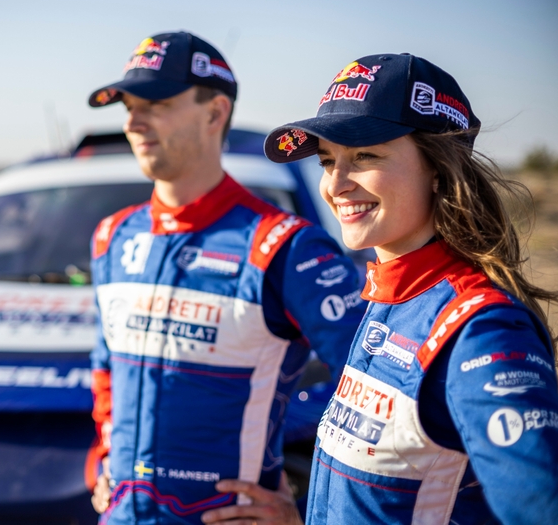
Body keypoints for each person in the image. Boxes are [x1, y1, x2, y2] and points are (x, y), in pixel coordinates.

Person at [250, 53, 558, 524]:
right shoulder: (387, 299)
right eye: (328, 161)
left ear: (437, 166)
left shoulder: (482, 330)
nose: (336, 185)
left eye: (365, 155)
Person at [85, 31, 365, 525]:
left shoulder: (284, 245)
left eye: (156, 102)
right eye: (128, 105)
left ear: (215, 113)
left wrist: (307, 512)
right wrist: (102, 462)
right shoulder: (111, 236)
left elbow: (377, 396)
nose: (134, 120)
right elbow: (106, 366)